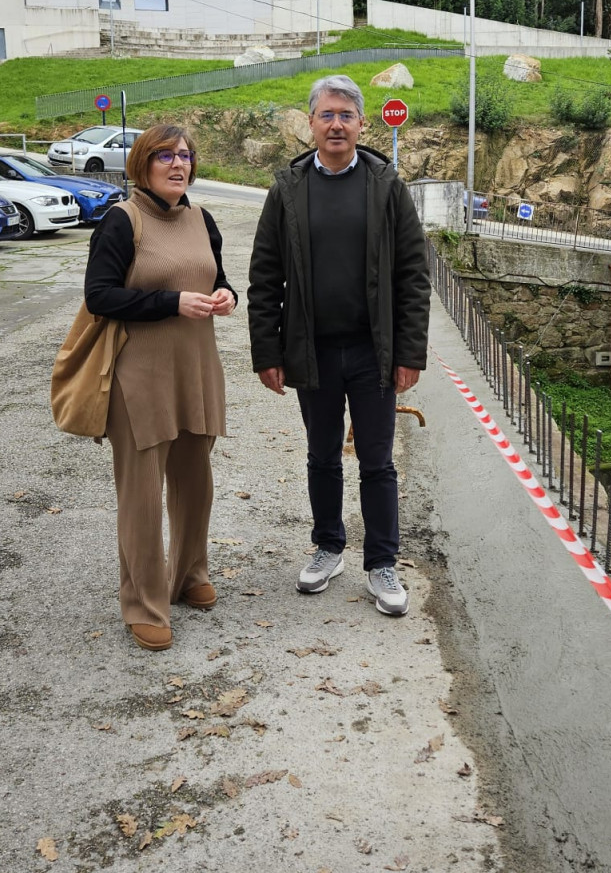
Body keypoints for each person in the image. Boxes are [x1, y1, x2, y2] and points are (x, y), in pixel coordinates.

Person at [247, 75, 430, 616]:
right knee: (322, 456)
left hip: (373, 353)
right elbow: (264, 277)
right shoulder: (287, 190)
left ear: (361, 123)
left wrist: (409, 354)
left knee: (377, 462)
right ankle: (329, 547)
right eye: (326, 115)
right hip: (314, 353)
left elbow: (414, 274)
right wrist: (268, 353)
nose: (335, 124)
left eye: (345, 115)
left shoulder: (386, 186)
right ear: (310, 124)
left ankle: (382, 563)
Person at [84, 123, 237, 652]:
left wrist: (225, 296)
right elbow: (100, 297)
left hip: (195, 367)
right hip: (140, 375)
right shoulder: (122, 222)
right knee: (143, 492)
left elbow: (217, 277)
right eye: (166, 156)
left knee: (196, 480)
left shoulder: (202, 217)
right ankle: (144, 602)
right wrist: (172, 303)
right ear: (142, 164)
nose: (179, 164)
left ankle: (189, 572)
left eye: (186, 155)